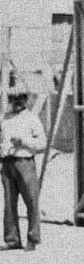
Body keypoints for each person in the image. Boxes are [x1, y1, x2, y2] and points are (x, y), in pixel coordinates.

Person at [1, 91, 47, 251]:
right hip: (7, 163)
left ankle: (33, 239)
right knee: (9, 203)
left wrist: (24, 142)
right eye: (13, 98)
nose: (15, 101)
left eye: (19, 98)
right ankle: (12, 239)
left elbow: (42, 143)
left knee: (31, 201)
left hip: (24, 162)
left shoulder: (32, 119)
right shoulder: (5, 119)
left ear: (25, 100)